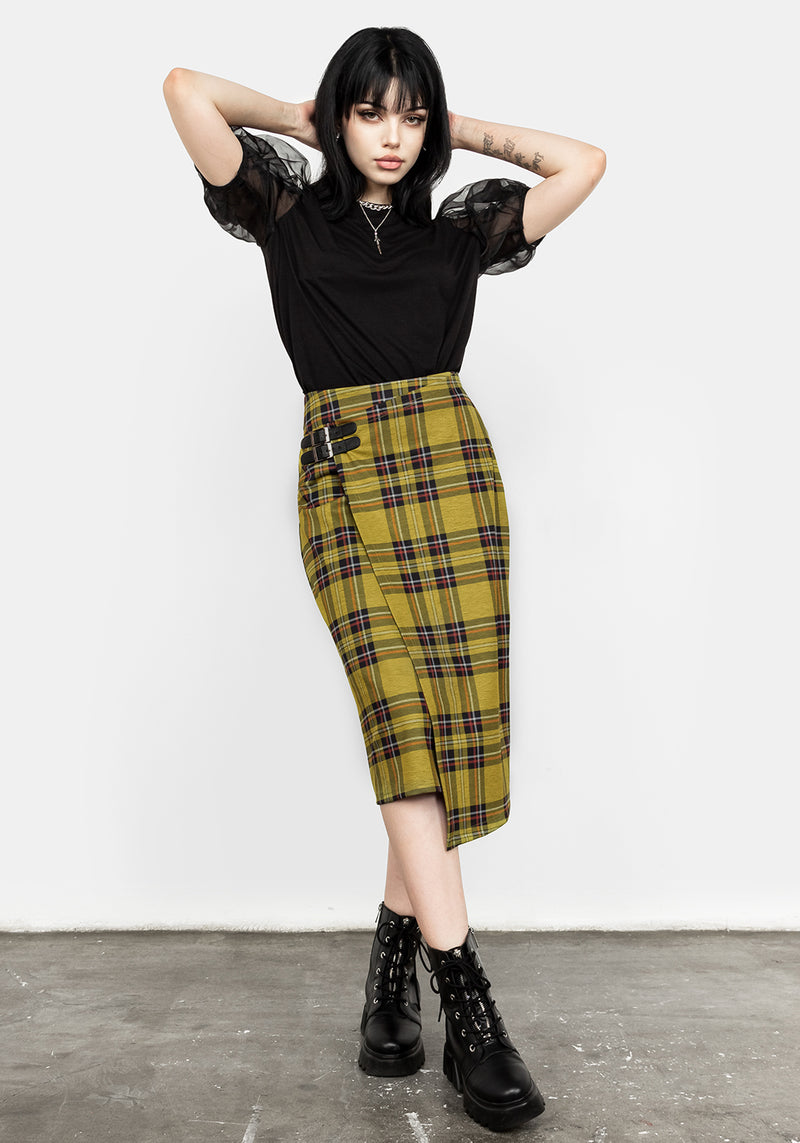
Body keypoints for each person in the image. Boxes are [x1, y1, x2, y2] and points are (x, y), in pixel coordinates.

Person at [163, 25, 605, 1132]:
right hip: (345, 482)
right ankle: (472, 1011)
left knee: (442, 740)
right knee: (399, 719)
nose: (392, 135)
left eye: (410, 115)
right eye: (373, 112)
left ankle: (388, 981)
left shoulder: (457, 233)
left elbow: (582, 163)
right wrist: (309, 120)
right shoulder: (283, 211)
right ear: (339, 117)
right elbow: (186, 89)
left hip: (454, 480)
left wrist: (449, 127)